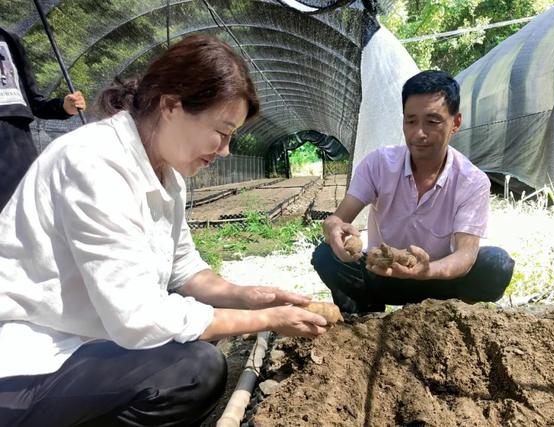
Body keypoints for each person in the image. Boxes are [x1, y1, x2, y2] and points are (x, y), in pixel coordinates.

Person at [0, 34, 327, 426]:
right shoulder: (94, 163)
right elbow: (140, 317)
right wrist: (269, 319)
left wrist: (249, 297)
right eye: (222, 131)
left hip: (89, 342)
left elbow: (183, 267)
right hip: (30, 359)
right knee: (191, 371)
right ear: (170, 105)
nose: (224, 149)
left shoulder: (168, 174)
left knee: (196, 342)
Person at [312, 70, 515, 313]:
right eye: (411, 121)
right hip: (382, 274)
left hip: (439, 279)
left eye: (432, 121)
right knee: (325, 255)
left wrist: (428, 270)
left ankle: (456, 316)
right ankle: (366, 319)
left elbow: (465, 255)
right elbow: (339, 218)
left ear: (456, 123)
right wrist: (333, 227)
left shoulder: (471, 181)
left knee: (497, 263)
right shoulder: (378, 164)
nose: (419, 133)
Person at [0, 26, 86, 211]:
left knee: (28, 210)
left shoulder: (8, 39)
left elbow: (36, 103)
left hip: (18, 147)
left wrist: (64, 106)